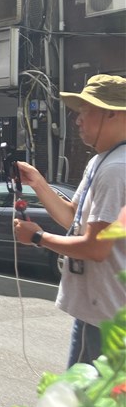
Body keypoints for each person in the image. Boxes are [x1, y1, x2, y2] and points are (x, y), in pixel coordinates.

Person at [14, 74, 126, 367]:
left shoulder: (116, 168)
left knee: (84, 406)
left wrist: (37, 238)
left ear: (111, 113)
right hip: (102, 311)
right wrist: (38, 183)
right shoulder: (101, 160)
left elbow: (95, 248)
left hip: (106, 317)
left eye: (85, 112)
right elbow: (71, 216)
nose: (77, 120)